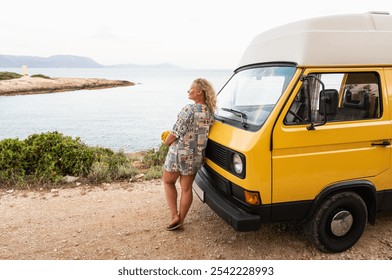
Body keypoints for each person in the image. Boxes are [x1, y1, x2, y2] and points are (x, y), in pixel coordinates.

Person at [162, 78, 217, 231]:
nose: (188, 91)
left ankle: (174, 215)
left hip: (178, 153)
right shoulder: (210, 113)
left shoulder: (189, 109)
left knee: (168, 182)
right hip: (195, 156)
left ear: (199, 91)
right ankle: (181, 220)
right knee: (186, 188)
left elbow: (176, 132)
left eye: (191, 89)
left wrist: (166, 141)